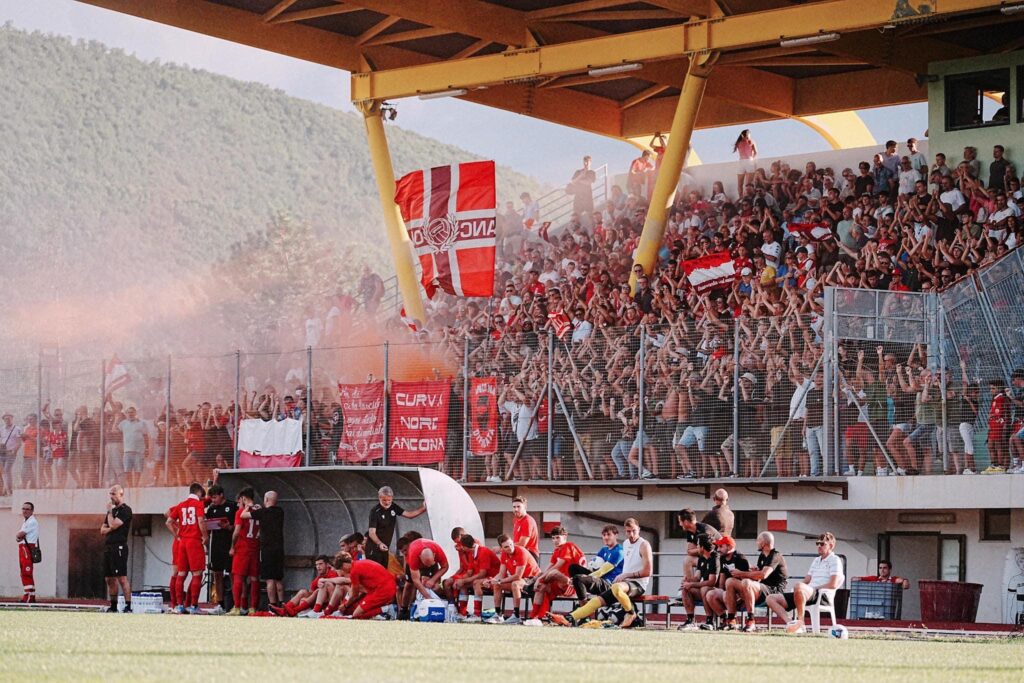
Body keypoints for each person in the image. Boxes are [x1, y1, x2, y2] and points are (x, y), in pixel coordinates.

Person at [553, 517, 652, 629]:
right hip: (622, 584)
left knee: (616, 588)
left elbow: (648, 572)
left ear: (639, 529)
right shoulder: (625, 543)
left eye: (634, 531)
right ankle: (567, 618)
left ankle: (631, 613)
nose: (632, 534)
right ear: (625, 531)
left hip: (637, 584)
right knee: (595, 601)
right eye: (628, 531)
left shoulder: (644, 545)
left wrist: (625, 575)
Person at [767, 531, 844, 634]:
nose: (819, 546)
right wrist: (797, 589)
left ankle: (801, 622)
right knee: (770, 598)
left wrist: (810, 588)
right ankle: (792, 623)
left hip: (822, 595)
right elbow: (807, 580)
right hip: (807, 593)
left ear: (831, 545)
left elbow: (833, 584)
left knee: (799, 586)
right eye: (817, 543)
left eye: (822, 544)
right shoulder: (816, 560)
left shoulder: (835, 560)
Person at [724, 531, 788, 632]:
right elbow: (758, 577)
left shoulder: (775, 556)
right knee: (730, 581)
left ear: (764, 543)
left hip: (774, 590)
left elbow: (763, 575)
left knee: (746, 582)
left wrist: (741, 573)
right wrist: (752, 571)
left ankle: (751, 620)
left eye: (758, 541)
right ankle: (731, 620)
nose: (756, 543)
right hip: (762, 588)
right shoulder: (762, 556)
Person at [526, 526, 585, 623]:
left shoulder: (568, 546)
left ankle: (531, 585)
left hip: (572, 584)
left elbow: (557, 566)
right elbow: (550, 566)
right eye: (553, 538)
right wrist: (539, 578)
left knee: (553, 573)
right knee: (541, 586)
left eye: (558, 537)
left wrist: (539, 579)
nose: (555, 540)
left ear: (565, 537)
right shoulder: (557, 550)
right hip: (560, 584)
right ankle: (535, 617)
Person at [167, 482, 208, 614]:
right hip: (194, 541)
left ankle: (179, 606)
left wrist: (177, 535)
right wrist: (205, 536)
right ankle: (193, 606)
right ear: (199, 492)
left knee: (181, 574)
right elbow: (200, 521)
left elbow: (168, 521)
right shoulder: (198, 504)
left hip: (182, 542)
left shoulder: (181, 505)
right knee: (197, 573)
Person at [244, 490, 285, 611]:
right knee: (278, 578)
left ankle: (272, 606)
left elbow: (243, 515)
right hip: (279, 548)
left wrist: (249, 507)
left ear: (266, 499)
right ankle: (282, 603)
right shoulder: (280, 511)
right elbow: (269, 512)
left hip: (267, 549)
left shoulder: (261, 513)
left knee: (269, 579)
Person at [366, 485, 426, 568]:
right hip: (374, 548)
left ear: (392, 498)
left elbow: (409, 515)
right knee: (375, 571)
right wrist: (379, 543)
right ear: (379, 498)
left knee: (384, 570)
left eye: (389, 500)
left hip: (385, 547)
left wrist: (424, 508)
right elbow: (371, 533)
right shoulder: (375, 511)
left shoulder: (393, 507)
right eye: (384, 500)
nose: (387, 502)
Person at [485, 533, 539, 624]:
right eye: (506, 547)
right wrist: (491, 581)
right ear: (502, 548)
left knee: (515, 584)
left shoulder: (521, 552)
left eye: (511, 544)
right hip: (521, 579)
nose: (510, 548)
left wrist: (500, 581)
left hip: (532, 578)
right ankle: (498, 614)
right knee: (497, 585)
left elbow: (518, 576)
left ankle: (516, 616)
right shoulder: (504, 554)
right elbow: (501, 573)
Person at [333, 551, 398, 619]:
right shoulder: (359, 564)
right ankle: (383, 614)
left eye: (341, 568)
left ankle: (387, 609)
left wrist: (345, 605)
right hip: (387, 587)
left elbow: (355, 595)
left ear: (344, 564)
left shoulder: (354, 571)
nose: (343, 571)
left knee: (356, 615)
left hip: (382, 589)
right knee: (362, 611)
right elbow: (361, 590)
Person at [703, 536, 750, 630]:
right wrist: (720, 589)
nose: (718, 549)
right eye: (718, 547)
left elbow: (746, 580)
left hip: (740, 592)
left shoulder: (740, 558)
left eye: (721, 546)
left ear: (729, 547)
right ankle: (725, 620)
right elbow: (722, 575)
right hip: (728, 590)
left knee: (726, 594)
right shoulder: (722, 558)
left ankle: (733, 621)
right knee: (710, 594)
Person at [397, 533, 449, 616]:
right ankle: (404, 609)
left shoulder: (438, 551)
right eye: (426, 564)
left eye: (429, 564)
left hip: (427, 555)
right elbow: (416, 581)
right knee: (409, 584)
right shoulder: (412, 556)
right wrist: (429, 598)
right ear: (420, 557)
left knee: (433, 585)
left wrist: (433, 580)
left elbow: (445, 566)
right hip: (415, 557)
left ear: (434, 556)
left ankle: (445, 602)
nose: (427, 566)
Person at [100, 485, 132, 613]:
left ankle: (128, 606)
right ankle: (113, 606)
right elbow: (102, 530)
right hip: (108, 547)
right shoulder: (112, 513)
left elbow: (113, 524)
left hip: (119, 546)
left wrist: (109, 514)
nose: (111, 497)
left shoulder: (126, 510)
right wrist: (111, 527)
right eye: (110, 494)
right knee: (109, 578)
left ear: (121, 494)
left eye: (114, 494)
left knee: (121, 577)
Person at [228, 487, 261, 616]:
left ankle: (237, 607)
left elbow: (236, 532)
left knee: (238, 577)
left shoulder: (241, 512)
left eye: (239, 500)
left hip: (242, 549)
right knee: (254, 579)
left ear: (243, 498)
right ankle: (253, 608)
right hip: (255, 548)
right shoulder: (259, 510)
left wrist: (232, 546)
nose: (238, 503)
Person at [570, 524, 623, 603]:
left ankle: (583, 606)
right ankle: (583, 592)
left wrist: (584, 577)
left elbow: (601, 571)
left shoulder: (618, 551)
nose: (606, 537)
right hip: (599, 578)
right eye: (604, 535)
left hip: (608, 584)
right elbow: (594, 567)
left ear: (616, 535)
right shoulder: (604, 550)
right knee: (573, 568)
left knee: (578, 578)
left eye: (609, 535)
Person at [204, 484, 236, 614]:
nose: (213, 500)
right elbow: (207, 526)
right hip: (216, 545)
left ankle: (236, 604)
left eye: (215, 497)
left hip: (229, 545)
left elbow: (238, 527)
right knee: (217, 573)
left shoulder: (232, 506)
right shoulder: (212, 509)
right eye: (211, 498)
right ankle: (220, 604)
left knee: (232, 574)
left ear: (221, 495)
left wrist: (228, 527)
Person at [677, 536, 721, 630]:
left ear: (702, 547)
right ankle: (690, 621)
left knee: (704, 589)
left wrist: (692, 584)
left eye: (697, 545)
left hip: (717, 591)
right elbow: (697, 577)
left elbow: (712, 582)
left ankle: (710, 622)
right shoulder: (702, 558)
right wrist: (688, 581)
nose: (696, 547)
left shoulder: (715, 558)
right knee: (686, 589)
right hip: (705, 590)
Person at [271, 555, 336, 617]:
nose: (318, 567)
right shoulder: (319, 576)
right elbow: (311, 591)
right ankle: (284, 610)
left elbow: (333, 593)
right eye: (316, 565)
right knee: (303, 592)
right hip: (317, 602)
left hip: (328, 604)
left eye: (320, 564)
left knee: (318, 590)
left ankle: (292, 611)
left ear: (327, 565)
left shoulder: (332, 573)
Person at [458, 534, 502, 622]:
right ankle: (462, 614)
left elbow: (482, 574)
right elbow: (469, 572)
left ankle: (477, 614)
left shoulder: (483, 552)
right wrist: (460, 580)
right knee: (463, 585)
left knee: (476, 583)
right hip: (484, 578)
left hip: (495, 578)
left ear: (464, 547)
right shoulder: (471, 552)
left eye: (461, 546)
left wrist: (465, 580)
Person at [677, 507, 722, 588]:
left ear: (686, 522)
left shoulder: (705, 530)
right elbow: (689, 551)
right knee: (687, 560)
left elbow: (707, 549)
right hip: (704, 557)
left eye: (680, 521)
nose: (679, 524)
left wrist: (696, 550)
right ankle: (688, 585)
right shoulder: (690, 531)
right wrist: (697, 550)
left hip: (716, 559)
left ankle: (691, 586)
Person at [116, 406, 148, 489]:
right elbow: (115, 430)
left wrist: (147, 448)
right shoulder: (123, 423)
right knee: (127, 471)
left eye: (132, 412)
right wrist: (116, 419)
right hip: (127, 451)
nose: (130, 414)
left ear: (135, 413)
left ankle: (135, 486)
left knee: (138, 470)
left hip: (139, 451)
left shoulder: (141, 423)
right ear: (126, 414)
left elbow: (146, 436)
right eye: (128, 412)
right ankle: (130, 487)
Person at [16, 501, 39, 603]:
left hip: (27, 548)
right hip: (23, 547)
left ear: (32, 511)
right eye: (23, 509)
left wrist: (19, 535)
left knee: (26, 571)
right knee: (24, 572)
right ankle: (31, 595)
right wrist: (19, 536)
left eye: (27, 509)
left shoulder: (31, 521)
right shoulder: (26, 521)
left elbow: (19, 535)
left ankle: (28, 596)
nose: (24, 511)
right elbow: (18, 538)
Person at [1, 413, 23, 497]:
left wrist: (14, 451)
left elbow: (19, 442)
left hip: (10, 452)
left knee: (7, 470)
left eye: (9, 418)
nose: (7, 420)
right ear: (3, 420)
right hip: (2, 452)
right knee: (2, 471)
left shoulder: (17, 429)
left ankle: (9, 490)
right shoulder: (2, 429)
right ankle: (4, 489)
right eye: (6, 419)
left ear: (12, 418)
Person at [511, 496, 539, 560]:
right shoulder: (516, 520)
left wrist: (503, 547)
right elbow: (516, 540)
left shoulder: (527, 521)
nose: (516, 509)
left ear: (525, 507)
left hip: (529, 554)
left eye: (519, 507)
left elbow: (522, 544)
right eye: (514, 507)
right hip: (519, 552)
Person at [733, 129, 758, 195]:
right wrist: (752, 159)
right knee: (748, 183)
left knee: (740, 184)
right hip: (749, 161)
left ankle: (741, 197)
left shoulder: (738, 142)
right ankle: (747, 197)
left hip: (742, 162)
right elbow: (755, 152)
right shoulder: (751, 141)